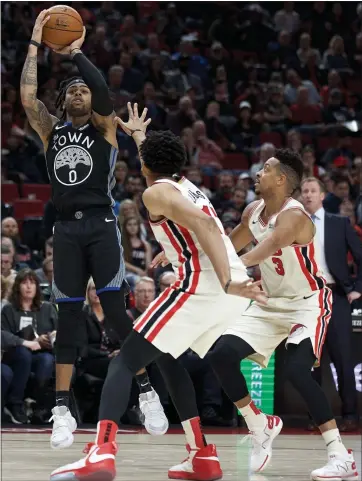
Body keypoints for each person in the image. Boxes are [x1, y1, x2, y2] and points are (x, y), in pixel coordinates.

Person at [50, 104, 265, 481]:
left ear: (145, 166)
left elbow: (204, 226)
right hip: (227, 293)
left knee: (124, 361)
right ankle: (201, 454)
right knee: (166, 359)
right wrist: (139, 137)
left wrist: (226, 279)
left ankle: (102, 452)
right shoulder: (188, 185)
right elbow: (192, 214)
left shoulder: (156, 195)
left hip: (202, 285)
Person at [20, 10, 167, 449]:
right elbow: (29, 99)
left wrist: (76, 55)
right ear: (65, 102)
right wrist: (33, 42)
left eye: (85, 90)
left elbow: (103, 89)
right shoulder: (50, 131)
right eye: (75, 92)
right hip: (65, 231)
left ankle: (146, 392)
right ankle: (61, 409)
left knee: (117, 313)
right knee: (68, 319)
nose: (83, 94)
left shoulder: (105, 128)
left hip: (102, 226)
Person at [202, 149, 356, 480]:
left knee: (300, 372)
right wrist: (193, 264)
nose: (258, 172)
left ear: (282, 179)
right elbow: (229, 247)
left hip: (308, 302)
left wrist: (231, 270)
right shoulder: (252, 211)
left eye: (266, 169)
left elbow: (264, 248)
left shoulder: (295, 216)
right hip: (270, 302)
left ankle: (340, 454)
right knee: (222, 355)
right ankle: (259, 423)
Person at [301, 177, 362, 432]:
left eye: (313, 191)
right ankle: (317, 418)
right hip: (305, 297)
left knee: (342, 358)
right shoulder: (294, 224)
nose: (308, 195)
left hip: (335, 295)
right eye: (304, 191)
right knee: (309, 360)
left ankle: (349, 414)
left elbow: (360, 256)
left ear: (322, 195)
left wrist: (357, 289)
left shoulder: (339, 223)